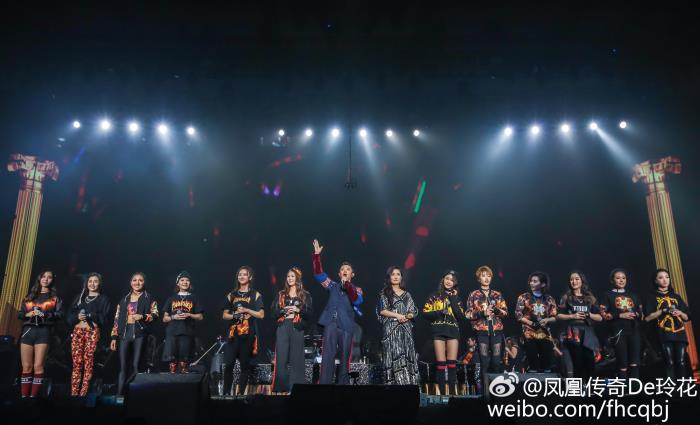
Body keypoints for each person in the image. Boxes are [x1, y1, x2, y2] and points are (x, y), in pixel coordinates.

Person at [311, 239, 364, 385]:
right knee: (327, 356)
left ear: (352, 274)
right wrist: (316, 256)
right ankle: (324, 385)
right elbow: (318, 274)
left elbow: (357, 301)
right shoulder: (332, 285)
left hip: (346, 325)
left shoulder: (357, 289)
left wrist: (347, 284)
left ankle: (343, 385)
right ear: (339, 273)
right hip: (331, 323)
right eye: (342, 269)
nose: (345, 270)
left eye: (348, 269)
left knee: (345, 356)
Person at [110, 272, 159, 395]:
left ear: (144, 282)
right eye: (134, 280)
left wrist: (142, 316)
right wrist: (114, 337)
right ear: (130, 282)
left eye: (140, 280)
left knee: (136, 367)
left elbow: (155, 314)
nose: (137, 282)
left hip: (140, 335)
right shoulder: (124, 299)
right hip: (124, 335)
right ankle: (120, 395)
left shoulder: (149, 298)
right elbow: (116, 318)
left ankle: (133, 394)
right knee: (123, 368)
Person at [18, 270, 63, 398]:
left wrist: (45, 314)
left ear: (52, 280)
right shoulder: (29, 297)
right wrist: (28, 314)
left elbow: (60, 314)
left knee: (38, 366)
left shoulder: (55, 298)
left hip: (44, 332)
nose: (46, 279)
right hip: (28, 332)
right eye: (43, 276)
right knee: (26, 366)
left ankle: (33, 397)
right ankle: (24, 397)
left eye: (49, 277)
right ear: (39, 278)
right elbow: (20, 314)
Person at [222, 266, 264, 395]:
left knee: (244, 365)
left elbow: (261, 314)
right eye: (239, 274)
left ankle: (240, 394)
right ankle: (226, 393)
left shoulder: (255, 294)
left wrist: (247, 310)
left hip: (247, 334)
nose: (241, 276)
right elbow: (224, 315)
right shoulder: (232, 295)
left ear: (250, 277)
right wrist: (234, 315)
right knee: (229, 364)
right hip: (233, 334)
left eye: (244, 274)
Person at [422, 270, 465, 395]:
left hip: (453, 331)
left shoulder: (457, 298)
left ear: (455, 283)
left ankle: (452, 395)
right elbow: (425, 313)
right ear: (443, 280)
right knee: (441, 364)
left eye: (452, 280)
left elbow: (460, 316)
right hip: (438, 331)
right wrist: (440, 312)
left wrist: (453, 298)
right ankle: (442, 396)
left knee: (452, 364)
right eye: (447, 278)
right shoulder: (434, 296)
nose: (449, 281)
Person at [67, 272, 111, 396]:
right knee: (77, 363)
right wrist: (77, 316)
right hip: (77, 332)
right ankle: (74, 394)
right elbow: (69, 316)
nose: (92, 284)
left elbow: (105, 319)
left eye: (95, 281)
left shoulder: (104, 299)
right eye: (90, 281)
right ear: (86, 283)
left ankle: (83, 394)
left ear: (99, 283)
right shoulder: (80, 297)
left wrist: (90, 315)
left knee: (88, 362)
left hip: (92, 332)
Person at [466, 266, 508, 391]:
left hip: (496, 331)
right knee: (484, 362)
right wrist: (482, 313)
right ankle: (485, 391)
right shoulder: (474, 294)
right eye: (483, 275)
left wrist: (497, 310)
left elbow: (505, 312)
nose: (486, 278)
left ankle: (497, 390)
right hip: (482, 331)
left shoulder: (497, 294)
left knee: (496, 361)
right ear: (479, 278)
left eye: (489, 276)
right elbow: (468, 314)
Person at [271, 267, 313, 394]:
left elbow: (309, 314)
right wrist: (283, 310)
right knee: (281, 358)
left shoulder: (305, 295)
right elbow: (273, 313)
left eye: (293, 276)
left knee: (297, 358)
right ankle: (281, 388)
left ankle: (296, 388)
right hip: (283, 326)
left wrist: (298, 310)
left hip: (297, 326)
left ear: (297, 278)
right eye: (288, 276)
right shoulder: (281, 294)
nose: (290, 278)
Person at [644, 268, 691, 379]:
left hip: (679, 334)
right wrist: (663, 310)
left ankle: (682, 386)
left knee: (681, 361)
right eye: (661, 278)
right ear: (655, 281)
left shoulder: (676, 296)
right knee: (669, 362)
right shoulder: (652, 297)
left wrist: (680, 313)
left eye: (667, 277)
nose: (665, 280)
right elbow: (647, 318)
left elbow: (687, 317)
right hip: (664, 334)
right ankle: (672, 386)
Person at [555, 271, 602, 381]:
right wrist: (573, 316)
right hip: (573, 332)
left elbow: (600, 317)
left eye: (577, 279)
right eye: (571, 279)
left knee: (590, 363)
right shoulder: (566, 297)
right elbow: (558, 315)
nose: (574, 281)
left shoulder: (590, 298)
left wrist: (589, 314)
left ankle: (589, 387)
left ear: (582, 281)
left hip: (588, 332)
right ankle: (578, 388)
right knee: (577, 363)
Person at [377, 266, 419, 385]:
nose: (395, 276)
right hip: (391, 330)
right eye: (393, 274)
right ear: (389, 277)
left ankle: (408, 384)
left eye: (398, 274)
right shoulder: (384, 293)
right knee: (392, 356)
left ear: (401, 277)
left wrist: (407, 316)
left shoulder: (407, 295)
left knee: (407, 355)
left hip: (405, 330)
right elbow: (382, 311)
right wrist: (398, 315)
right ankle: (392, 385)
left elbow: (413, 311)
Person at [598, 268, 643, 379]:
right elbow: (603, 314)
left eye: (623, 278)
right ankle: (623, 387)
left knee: (634, 362)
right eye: (618, 278)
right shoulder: (607, 295)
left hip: (634, 330)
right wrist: (620, 315)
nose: (621, 280)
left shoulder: (633, 295)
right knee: (622, 362)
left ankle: (635, 387)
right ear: (612, 280)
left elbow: (642, 314)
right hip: (618, 332)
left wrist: (636, 314)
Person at [514, 271, 558, 372]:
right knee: (532, 360)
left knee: (546, 363)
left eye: (535, 281)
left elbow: (555, 316)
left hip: (544, 332)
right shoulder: (524, 297)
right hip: (529, 331)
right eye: (531, 281)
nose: (531, 283)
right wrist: (532, 323)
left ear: (543, 284)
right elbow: (518, 315)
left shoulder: (549, 299)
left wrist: (547, 320)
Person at [162, 271, 204, 374]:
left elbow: (200, 317)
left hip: (187, 331)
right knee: (172, 359)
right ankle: (172, 376)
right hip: (172, 331)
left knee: (184, 359)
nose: (185, 282)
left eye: (187, 280)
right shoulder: (171, 299)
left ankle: (184, 375)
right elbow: (164, 319)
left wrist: (189, 315)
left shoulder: (194, 298)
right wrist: (173, 316)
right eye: (182, 280)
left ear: (190, 283)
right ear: (178, 283)